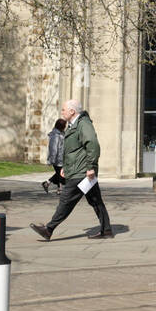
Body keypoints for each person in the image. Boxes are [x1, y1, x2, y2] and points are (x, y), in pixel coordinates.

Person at [31, 99, 114, 240]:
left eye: (63, 109)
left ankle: (49, 229)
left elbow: (93, 145)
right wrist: (65, 166)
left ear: (72, 111)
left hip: (82, 172)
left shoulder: (84, 124)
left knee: (66, 200)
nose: (62, 112)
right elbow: (73, 150)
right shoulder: (73, 125)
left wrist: (90, 167)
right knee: (95, 201)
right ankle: (106, 230)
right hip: (77, 170)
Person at [41, 118, 66, 193]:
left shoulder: (61, 134)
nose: (65, 127)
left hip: (61, 158)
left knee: (60, 173)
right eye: (64, 125)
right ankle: (59, 188)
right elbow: (53, 148)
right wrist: (52, 160)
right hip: (57, 159)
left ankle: (47, 183)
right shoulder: (55, 135)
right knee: (61, 173)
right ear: (60, 126)